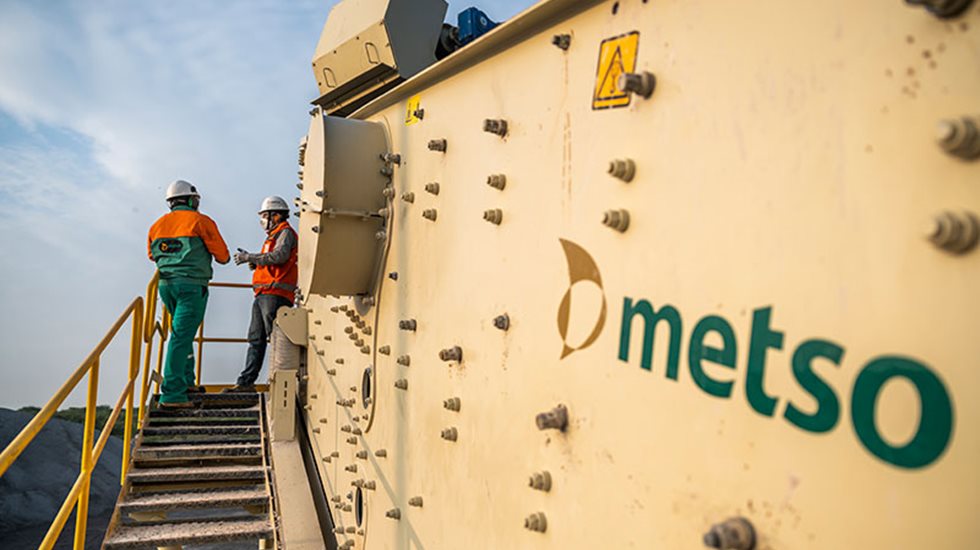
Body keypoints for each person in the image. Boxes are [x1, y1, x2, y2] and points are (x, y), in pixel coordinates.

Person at [148, 180, 230, 408]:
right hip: (191, 287)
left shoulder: (157, 226)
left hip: (166, 286)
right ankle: (173, 394)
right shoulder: (200, 221)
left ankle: (186, 381)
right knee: (181, 337)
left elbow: (151, 255)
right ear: (193, 200)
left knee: (181, 335)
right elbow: (223, 256)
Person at [225, 196, 298, 392]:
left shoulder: (285, 233)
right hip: (264, 293)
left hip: (276, 293)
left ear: (276, 215)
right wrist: (256, 261)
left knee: (276, 339)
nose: (263, 220)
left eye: (266, 215)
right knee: (256, 338)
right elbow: (271, 258)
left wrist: (250, 257)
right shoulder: (274, 236)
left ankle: (281, 383)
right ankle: (245, 383)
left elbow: (279, 256)